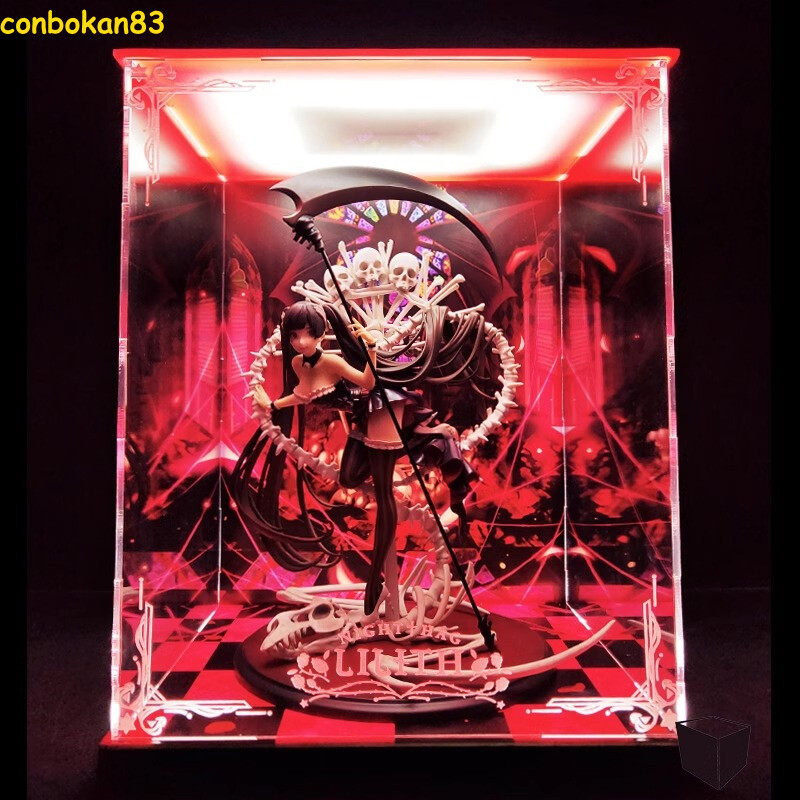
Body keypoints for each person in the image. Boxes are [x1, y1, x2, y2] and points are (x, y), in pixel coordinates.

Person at [233, 300, 480, 614]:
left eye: (308, 333)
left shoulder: (332, 362)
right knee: (349, 478)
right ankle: (428, 444)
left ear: (320, 334)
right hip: (361, 415)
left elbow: (367, 382)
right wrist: (272, 405)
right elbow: (301, 394)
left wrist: (372, 348)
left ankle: (376, 578)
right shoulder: (298, 364)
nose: (301, 341)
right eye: (294, 335)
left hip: (379, 404)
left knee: (383, 494)